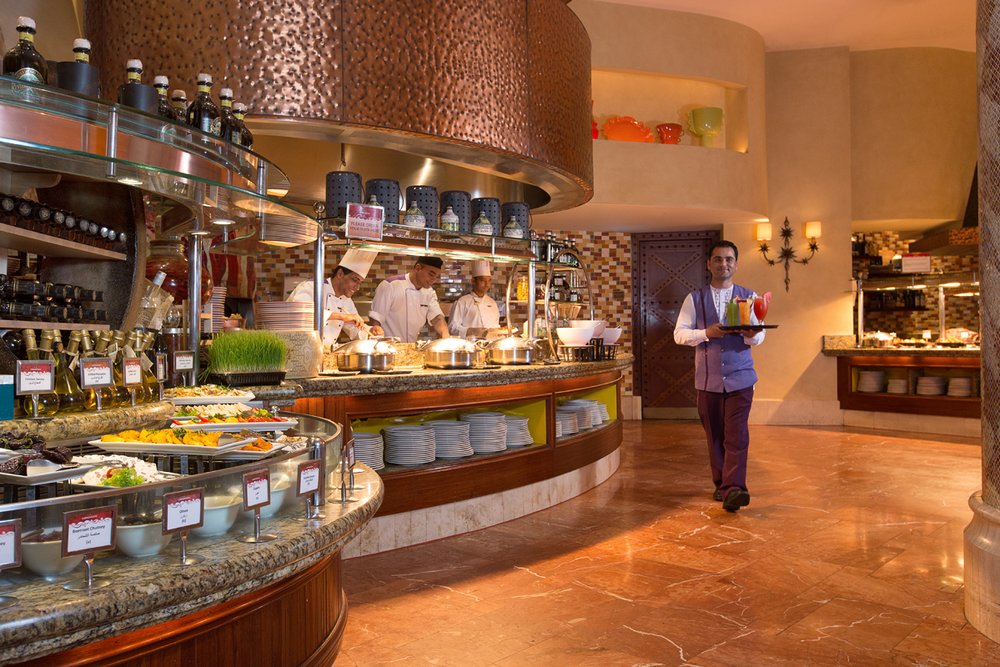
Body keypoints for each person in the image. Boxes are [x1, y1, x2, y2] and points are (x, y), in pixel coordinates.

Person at [673, 240, 765, 513]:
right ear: (708, 264)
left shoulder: (750, 296)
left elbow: (760, 336)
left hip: (741, 379)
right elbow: (679, 334)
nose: (723, 264)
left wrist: (751, 335)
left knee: (737, 434)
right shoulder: (694, 299)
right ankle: (722, 483)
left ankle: (735, 489)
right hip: (708, 381)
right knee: (714, 436)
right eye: (718, 259)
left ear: (736, 264)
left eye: (728, 259)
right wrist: (705, 333)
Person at [287, 248, 382, 344]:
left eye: (360, 283)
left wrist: (370, 331)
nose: (357, 287)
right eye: (355, 280)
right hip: (297, 347)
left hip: (324, 350)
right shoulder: (312, 287)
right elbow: (301, 313)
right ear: (340, 274)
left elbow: (355, 328)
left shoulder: (346, 300)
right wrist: (341, 316)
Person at [368, 256, 450, 342]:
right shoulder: (391, 285)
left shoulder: (429, 292)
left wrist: (446, 336)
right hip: (388, 345)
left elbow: (437, 318)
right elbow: (376, 317)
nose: (434, 280)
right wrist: (375, 331)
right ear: (418, 268)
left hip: (411, 346)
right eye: (431, 274)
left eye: (436, 276)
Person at [448, 259, 501, 337]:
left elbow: (496, 327)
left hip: (491, 343)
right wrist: (471, 331)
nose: (487, 284)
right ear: (473, 281)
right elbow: (452, 328)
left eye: (489, 281)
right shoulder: (462, 302)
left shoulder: (492, 302)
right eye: (483, 280)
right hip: (470, 343)